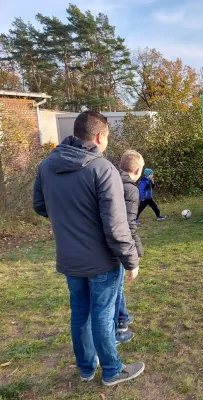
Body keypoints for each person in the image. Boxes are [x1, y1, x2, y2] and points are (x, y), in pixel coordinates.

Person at [33, 111, 145, 386]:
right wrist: (132, 260)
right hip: (102, 262)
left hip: (70, 258)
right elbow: (116, 227)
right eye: (106, 136)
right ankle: (111, 369)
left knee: (80, 313)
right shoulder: (102, 168)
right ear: (99, 136)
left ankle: (86, 368)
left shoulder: (46, 166)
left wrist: (68, 217)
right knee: (102, 314)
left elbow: (40, 206)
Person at [116, 150, 146, 344]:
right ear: (137, 169)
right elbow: (129, 223)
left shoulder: (109, 179)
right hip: (117, 242)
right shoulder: (130, 189)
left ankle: (122, 316)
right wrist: (136, 252)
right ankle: (118, 327)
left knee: (116, 286)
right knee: (115, 286)